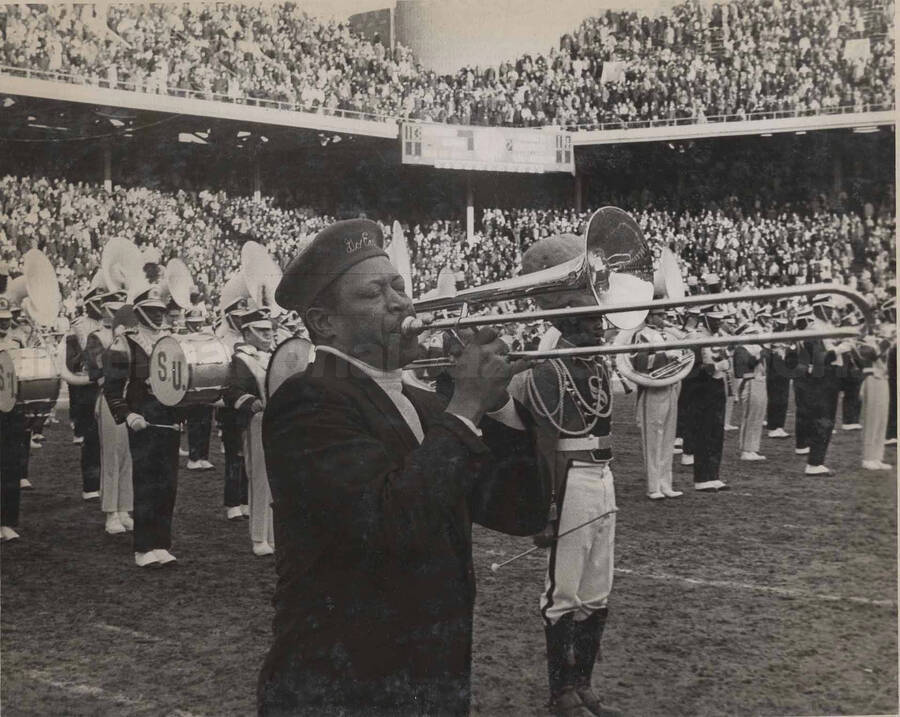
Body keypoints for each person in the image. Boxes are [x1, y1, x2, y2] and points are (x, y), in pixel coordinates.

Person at [258, 218, 548, 716]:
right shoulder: (308, 399)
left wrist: (497, 408)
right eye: (374, 294)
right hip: (343, 682)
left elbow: (519, 513)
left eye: (399, 286)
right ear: (324, 322)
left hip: (432, 674)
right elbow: (388, 523)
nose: (400, 303)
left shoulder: (425, 402)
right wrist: (467, 407)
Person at [505, 228, 623, 717]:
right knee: (563, 593)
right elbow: (545, 446)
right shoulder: (547, 370)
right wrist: (546, 510)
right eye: (592, 318)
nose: (603, 325)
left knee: (598, 590)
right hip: (572, 477)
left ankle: (584, 685)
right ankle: (561, 694)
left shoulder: (592, 362)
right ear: (569, 319)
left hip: (603, 476)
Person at [104, 284, 182, 568]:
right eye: (151, 311)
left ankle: (162, 543)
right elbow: (112, 390)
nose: (158, 316)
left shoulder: (172, 342)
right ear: (138, 312)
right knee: (147, 482)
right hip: (142, 420)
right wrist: (128, 415)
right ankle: (143, 548)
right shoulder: (125, 343)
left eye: (160, 311)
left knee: (168, 483)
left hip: (169, 419)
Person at [224, 307, 276, 556]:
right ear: (248, 333)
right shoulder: (241, 359)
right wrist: (250, 401)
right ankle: (258, 537)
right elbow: (231, 391)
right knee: (260, 479)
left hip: (280, 422)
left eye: (270, 330)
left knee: (277, 480)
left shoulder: (276, 355)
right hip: (257, 422)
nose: (269, 335)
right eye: (262, 331)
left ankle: (274, 535)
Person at [86, 299, 134, 535]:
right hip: (110, 396)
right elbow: (97, 371)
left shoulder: (132, 339)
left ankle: (124, 507)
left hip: (132, 398)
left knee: (128, 454)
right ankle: (110, 512)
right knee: (112, 455)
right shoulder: (99, 338)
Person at [632, 307, 683, 500]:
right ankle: (653, 486)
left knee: (668, 438)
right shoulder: (642, 336)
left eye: (664, 315)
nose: (665, 318)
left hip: (670, 387)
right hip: (652, 390)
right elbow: (641, 363)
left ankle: (665, 483)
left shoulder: (668, 335)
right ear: (650, 316)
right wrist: (666, 356)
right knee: (653, 439)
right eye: (660, 315)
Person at [793, 296, 846, 475]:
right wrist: (840, 348)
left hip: (827, 376)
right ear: (819, 308)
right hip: (822, 378)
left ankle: (816, 461)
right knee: (823, 419)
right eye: (828, 308)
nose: (831, 312)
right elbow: (819, 359)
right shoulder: (814, 329)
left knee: (826, 419)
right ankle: (815, 463)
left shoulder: (823, 327)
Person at [685, 304, 731, 492]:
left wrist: (717, 367)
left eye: (719, 320)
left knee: (716, 431)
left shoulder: (717, 337)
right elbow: (692, 368)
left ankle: (714, 474)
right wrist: (713, 368)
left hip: (717, 385)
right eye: (714, 320)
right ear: (704, 320)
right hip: (701, 388)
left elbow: (725, 363)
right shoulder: (695, 338)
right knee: (704, 431)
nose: (719, 323)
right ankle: (702, 477)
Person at [65, 289, 104, 500]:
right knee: (92, 436)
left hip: (108, 382)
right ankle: (90, 486)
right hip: (89, 384)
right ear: (88, 305)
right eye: (96, 302)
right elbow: (72, 359)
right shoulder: (79, 325)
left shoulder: (110, 322)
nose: (101, 306)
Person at [216, 297, 249, 520]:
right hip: (229, 403)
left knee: (249, 454)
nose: (240, 319)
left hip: (246, 404)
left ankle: (246, 500)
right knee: (234, 456)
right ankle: (232, 502)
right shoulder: (221, 339)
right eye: (236, 316)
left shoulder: (248, 340)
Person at [0, 296, 25, 541]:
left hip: (12, 410)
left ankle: (7, 521)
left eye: (6, 320)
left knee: (10, 466)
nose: (4, 325)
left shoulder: (18, 343)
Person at [733, 322, 768, 461]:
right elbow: (741, 370)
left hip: (760, 382)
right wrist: (759, 357)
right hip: (750, 382)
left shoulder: (758, 347)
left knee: (758, 416)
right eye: (752, 334)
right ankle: (746, 449)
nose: (756, 336)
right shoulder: (741, 349)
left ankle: (753, 448)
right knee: (750, 416)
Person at [765, 306, 793, 439]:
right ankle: (774, 426)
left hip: (782, 370)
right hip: (775, 371)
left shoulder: (781, 335)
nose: (783, 326)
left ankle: (777, 425)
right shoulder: (772, 335)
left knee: (781, 398)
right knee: (777, 398)